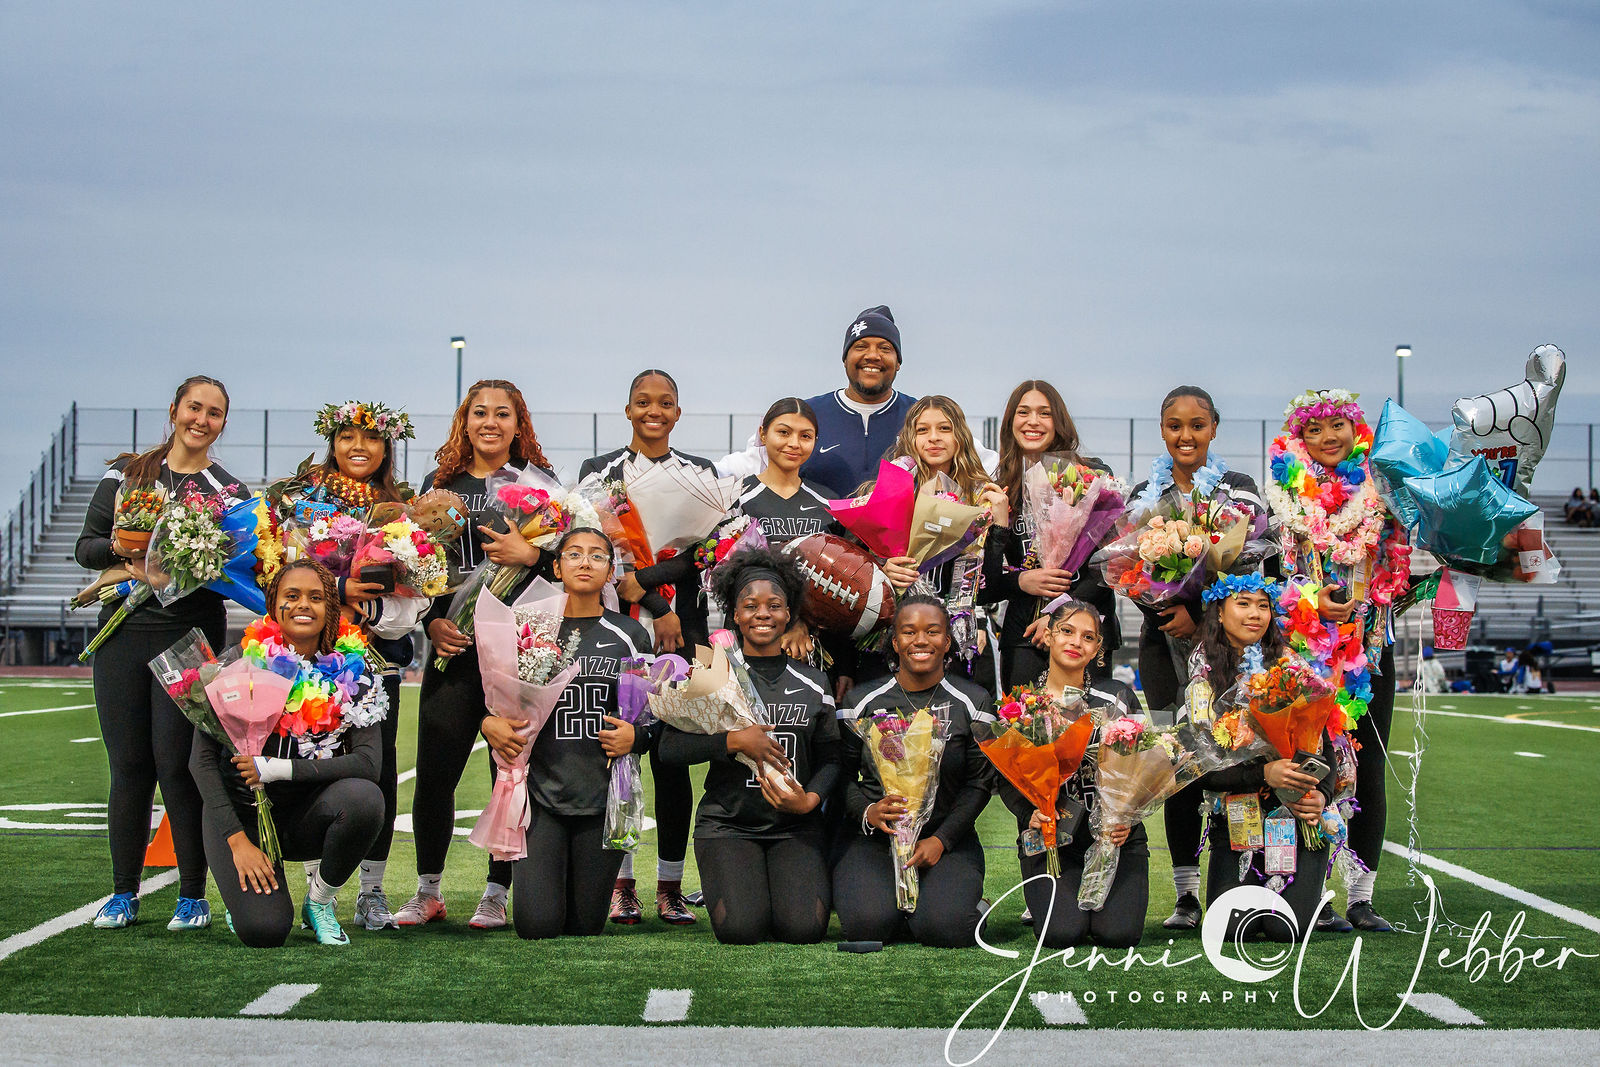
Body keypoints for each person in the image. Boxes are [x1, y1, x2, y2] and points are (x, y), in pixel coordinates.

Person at [75, 375, 246, 932]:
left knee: (179, 768)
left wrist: (197, 566)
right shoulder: (127, 474)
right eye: (194, 407)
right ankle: (123, 892)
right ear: (173, 410)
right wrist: (126, 555)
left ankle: (192, 896)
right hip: (123, 633)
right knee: (128, 768)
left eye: (214, 413)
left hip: (189, 638)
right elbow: (87, 547)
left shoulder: (231, 493)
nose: (202, 419)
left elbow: (234, 574)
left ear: (223, 422)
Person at [266, 401, 429, 931]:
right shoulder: (300, 500)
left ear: (387, 447)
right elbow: (278, 572)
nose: (358, 447)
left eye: (370, 439)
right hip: (307, 661)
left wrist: (375, 606)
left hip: (375, 662)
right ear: (332, 442)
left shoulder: (405, 507)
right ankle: (320, 885)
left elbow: (423, 591)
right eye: (347, 437)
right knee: (311, 763)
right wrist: (336, 591)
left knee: (377, 772)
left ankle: (372, 891)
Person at [403, 380, 556, 930]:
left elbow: (567, 565)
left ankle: (496, 892)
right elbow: (414, 570)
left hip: (515, 652)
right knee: (436, 774)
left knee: (509, 771)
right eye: (479, 413)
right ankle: (427, 892)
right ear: (463, 421)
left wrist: (532, 551)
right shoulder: (437, 486)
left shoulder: (541, 487)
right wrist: (432, 620)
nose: (490, 422)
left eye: (503, 414)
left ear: (520, 424)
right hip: (453, 650)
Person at [1122, 387, 1271, 931]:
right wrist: (1166, 608)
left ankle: (1246, 878)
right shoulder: (1144, 494)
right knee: (1178, 761)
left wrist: (1202, 612)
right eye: (1174, 425)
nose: (1186, 435)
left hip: (1229, 651)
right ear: (1162, 430)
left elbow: (1260, 561)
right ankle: (1186, 894)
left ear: (1214, 428)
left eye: (1197, 425)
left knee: (1237, 753)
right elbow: (1124, 565)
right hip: (1163, 647)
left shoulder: (1240, 491)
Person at [1267, 387, 1411, 933]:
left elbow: (1402, 559)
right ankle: (1310, 892)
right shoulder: (1282, 496)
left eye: (1338, 427)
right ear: (1298, 439)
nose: (1328, 438)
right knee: (1306, 770)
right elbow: (1272, 580)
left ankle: (1362, 896)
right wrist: (1309, 603)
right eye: (1314, 430)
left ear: (1356, 432)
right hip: (1303, 655)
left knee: (1369, 771)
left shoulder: (1383, 491)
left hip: (1369, 653)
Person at [190, 559, 389, 947]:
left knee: (366, 799)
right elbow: (200, 760)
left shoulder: (355, 670)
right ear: (273, 605)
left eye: (316, 597)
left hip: (305, 817)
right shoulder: (241, 663)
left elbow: (369, 764)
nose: (303, 605)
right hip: (245, 819)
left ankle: (319, 902)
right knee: (265, 932)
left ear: (330, 608)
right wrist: (237, 842)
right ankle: (242, 898)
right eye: (291, 596)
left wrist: (276, 768)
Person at [658, 548, 840, 944]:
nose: (763, 613)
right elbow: (669, 750)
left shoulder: (814, 682)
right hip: (728, 825)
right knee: (741, 929)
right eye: (750, 605)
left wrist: (811, 800)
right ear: (735, 615)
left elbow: (832, 758)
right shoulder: (714, 673)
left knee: (803, 929)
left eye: (774, 605)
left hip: (795, 827)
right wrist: (733, 741)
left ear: (788, 613)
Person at [580, 369, 709, 926]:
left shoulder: (700, 475)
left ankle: (671, 885)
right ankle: (623, 885)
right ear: (627, 409)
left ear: (678, 412)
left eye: (666, 403)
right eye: (643, 402)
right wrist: (654, 607)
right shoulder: (597, 473)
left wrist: (658, 597)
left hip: (684, 634)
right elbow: (590, 548)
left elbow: (705, 553)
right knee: (620, 754)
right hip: (620, 632)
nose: (654, 410)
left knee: (672, 759)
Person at [482, 528, 655, 939]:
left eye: (597, 556)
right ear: (556, 566)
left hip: (603, 796)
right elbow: (493, 698)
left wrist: (637, 738)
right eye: (574, 554)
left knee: (585, 926)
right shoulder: (529, 628)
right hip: (539, 795)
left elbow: (654, 718)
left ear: (611, 572)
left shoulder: (631, 635)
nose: (585, 562)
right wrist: (488, 722)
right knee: (536, 925)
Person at [834, 594, 997, 947]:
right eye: (909, 632)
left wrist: (943, 839)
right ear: (895, 642)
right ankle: (895, 906)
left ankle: (964, 906)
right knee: (866, 926)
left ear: (947, 641)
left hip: (944, 840)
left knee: (946, 929)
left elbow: (979, 784)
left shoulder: (973, 701)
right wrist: (867, 811)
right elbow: (841, 774)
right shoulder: (861, 701)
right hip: (878, 838)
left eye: (932, 631)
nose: (920, 640)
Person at [995, 599, 1147, 949]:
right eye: (1066, 631)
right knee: (1061, 933)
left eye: (1088, 637)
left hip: (1114, 840)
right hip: (1051, 841)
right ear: (1047, 636)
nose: (1076, 642)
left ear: (1097, 649)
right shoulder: (1022, 704)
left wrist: (1130, 815)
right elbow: (1005, 779)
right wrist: (1027, 813)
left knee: (1118, 935)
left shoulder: (1118, 698)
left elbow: (1144, 766)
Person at [1192, 578, 1337, 944]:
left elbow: (1326, 745)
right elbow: (1198, 770)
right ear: (1220, 614)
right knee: (1230, 931)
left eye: (1263, 605)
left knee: (1285, 930)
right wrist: (1264, 773)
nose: (1255, 614)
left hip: (1296, 821)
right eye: (1243, 603)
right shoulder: (1202, 679)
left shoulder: (1292, 666)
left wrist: (1323, 795)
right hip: (1238, 821)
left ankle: (1307, 885)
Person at [859, 396, 1009, 689]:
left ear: (960, 437)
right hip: (892, 637)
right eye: (923, 430)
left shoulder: (981, 499)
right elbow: (858, 568)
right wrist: (883, 569)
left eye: (944, 428)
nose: (934, 438)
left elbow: (991, 583)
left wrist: (1000, 524)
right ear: (910, 438)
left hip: (954, 640)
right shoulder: (886, 491)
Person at [983, 380, 1121, 692]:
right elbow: (986, 582)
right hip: (1024, 632)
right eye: (1024, 412)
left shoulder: (1090, 475)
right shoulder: (1000, 484)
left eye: (1044, 413)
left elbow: (1109, 564)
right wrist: (1019, 581)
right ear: (1010, 422)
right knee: (1027, 732)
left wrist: (1062, 616)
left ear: (1058, 421)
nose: (1033, 421)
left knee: (1086, 732)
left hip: (1084, 631)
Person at [718, 306, 917, 498]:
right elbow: (747, 466)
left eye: (885, 348)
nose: (873, 356)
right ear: (845, 358)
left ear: (898, 361)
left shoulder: (920, 418)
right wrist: (693, 467)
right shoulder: (805, 414)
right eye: (860, 347)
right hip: (813, 532)